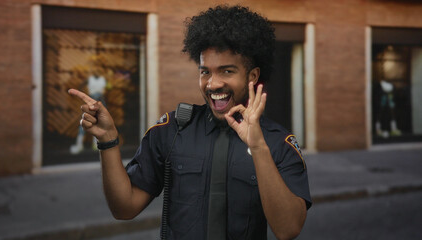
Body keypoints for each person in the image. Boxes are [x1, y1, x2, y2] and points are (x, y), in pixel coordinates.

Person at [68, 5, 311, 240]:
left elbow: (288, 229)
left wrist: (258, 147)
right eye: (205, 71)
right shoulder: (172, 129)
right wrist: (108, 140)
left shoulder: (277, 141)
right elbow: (124, 208)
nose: (212, 84)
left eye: (227, 71)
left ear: (253, 76)